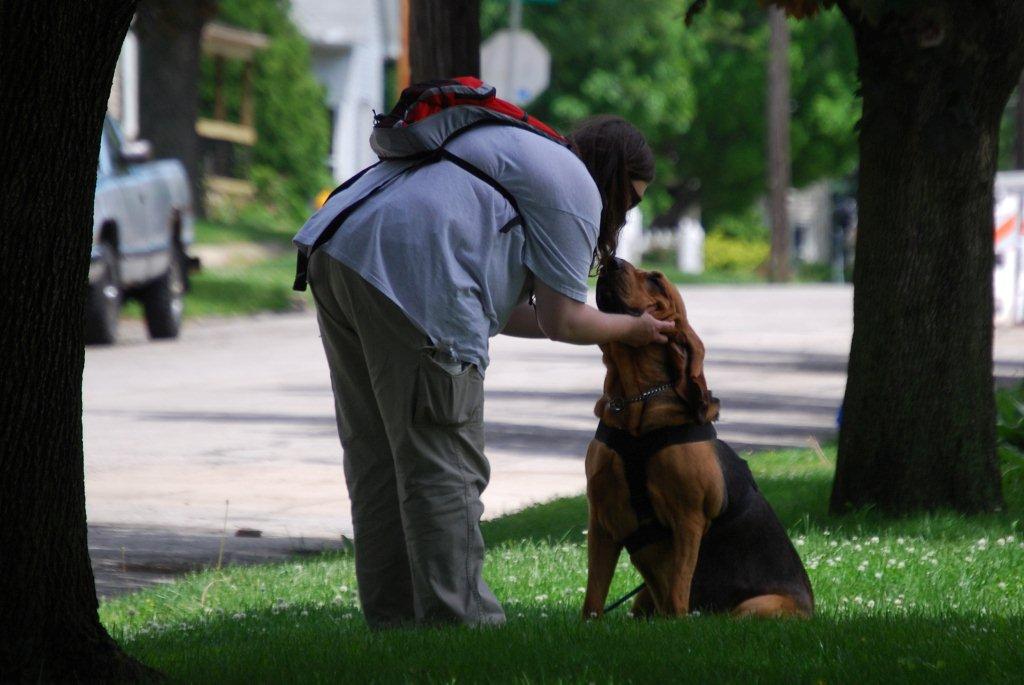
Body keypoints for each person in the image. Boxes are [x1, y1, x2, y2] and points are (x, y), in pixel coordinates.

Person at [294, 111, 671, 629]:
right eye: (628, 199)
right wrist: (631, 330)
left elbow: (523, 314)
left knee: (377, 457)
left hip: (338, 250)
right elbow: (564, 319)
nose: (623, 217)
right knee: (444, 463)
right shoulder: (575, 184)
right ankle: (461, 625)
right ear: (610, 175)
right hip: (409, 272)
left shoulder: (521, 152)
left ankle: (395, 622)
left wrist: (608, 326)